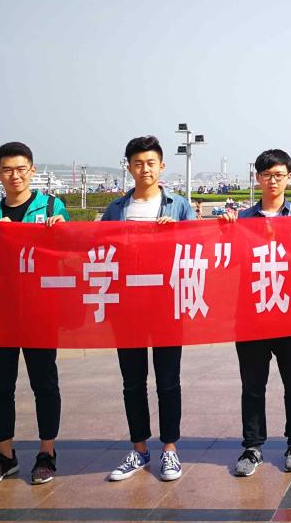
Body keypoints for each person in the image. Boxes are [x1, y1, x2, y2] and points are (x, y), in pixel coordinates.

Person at [0, 142, 70, 487]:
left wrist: (63, 230)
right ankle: (6, 457)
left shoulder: (53, 208)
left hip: (41, 315)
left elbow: (71, 256)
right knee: (0, 388)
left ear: (33, 170)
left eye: (21, 168)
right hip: (2, 318)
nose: (15, 176)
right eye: (7, 170)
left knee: (45, 385)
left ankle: (47, 454)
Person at [102, 136, 195, 483]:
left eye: (151, 163)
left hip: (167, 305)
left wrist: (178, 234)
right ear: (128, 167)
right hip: (127, 307)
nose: (145, 169)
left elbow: (198, 247)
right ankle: (139, 449)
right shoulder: (116, 209)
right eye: (138, 163)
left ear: (161, 166)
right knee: (132, 382)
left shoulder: (178, 206)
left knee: (168, 381)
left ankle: (170, 449)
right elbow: (95, 247)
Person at [220, 149, 291, 477]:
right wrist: (225, 231)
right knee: (252, 384)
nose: (273, 181)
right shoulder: (242, 220)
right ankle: (252, 446)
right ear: (257, 178)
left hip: (290, 313)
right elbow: (228, 263)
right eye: (267, 175)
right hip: (251, 314)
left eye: (279, 175)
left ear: (289, 177)